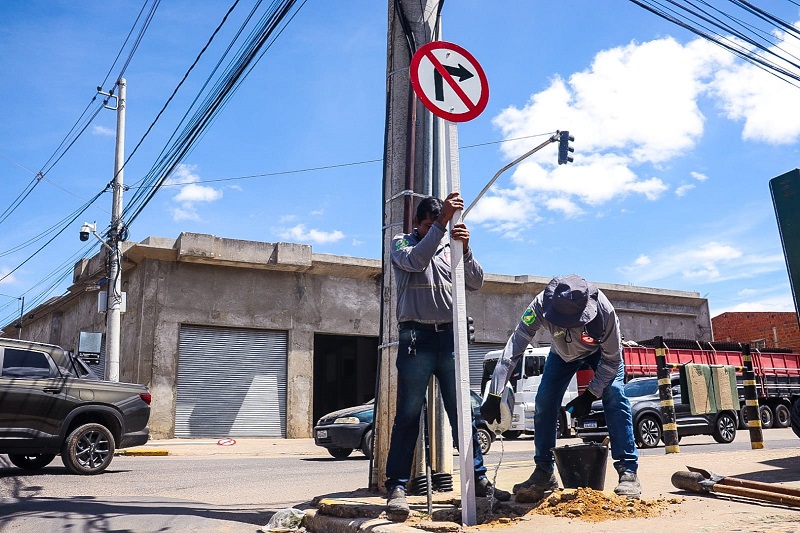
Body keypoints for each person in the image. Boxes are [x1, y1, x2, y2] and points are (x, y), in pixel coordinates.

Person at [384, 192, 511, 522]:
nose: (431, 230)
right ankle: (396, 487)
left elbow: (477, 281)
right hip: (416, 336)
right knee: (409, 414)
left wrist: (466, 250)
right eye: (426, 225)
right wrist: (440, 226)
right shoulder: (401, 244)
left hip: (451, 337)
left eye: (435, 224)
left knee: (462, 414)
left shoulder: (449, 244)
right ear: (417, 223)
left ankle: (478, 480)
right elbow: (415, 261)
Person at [480, 274, 641, 500]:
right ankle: (544, 472)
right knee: (544, 401)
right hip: (562, 355)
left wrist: (590, 394)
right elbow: (514, 347)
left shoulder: (606, 313)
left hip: (601, 355)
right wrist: (495, 393)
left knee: (614, 393)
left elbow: (613, 361)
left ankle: (628, 472)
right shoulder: (538, 305)